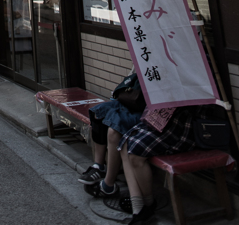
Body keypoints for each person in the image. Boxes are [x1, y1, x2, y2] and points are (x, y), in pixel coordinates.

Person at [118, 106, 197, 224]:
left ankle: (149, 204)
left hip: (182, 125)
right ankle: (138, 208)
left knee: (136, 153)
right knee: (125, 143)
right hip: (162, 117)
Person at [79, 72, 145, 206]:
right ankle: (98, 166)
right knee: (98, 112)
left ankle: (108, 184)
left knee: (114, 128)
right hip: (130, 99)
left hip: (142, 108)